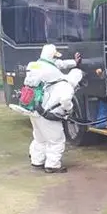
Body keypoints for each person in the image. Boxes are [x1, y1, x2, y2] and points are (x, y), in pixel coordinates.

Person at [24, 44, 83, 173]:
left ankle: (37, 161)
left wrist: (74, 62)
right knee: (56, 140)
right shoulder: (62, 81)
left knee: (40, 138)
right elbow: (65, 100)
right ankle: (52, 165)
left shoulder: (35, 65)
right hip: (48, 114)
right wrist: (69, 110)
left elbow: (59, 63)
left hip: (34, 107)